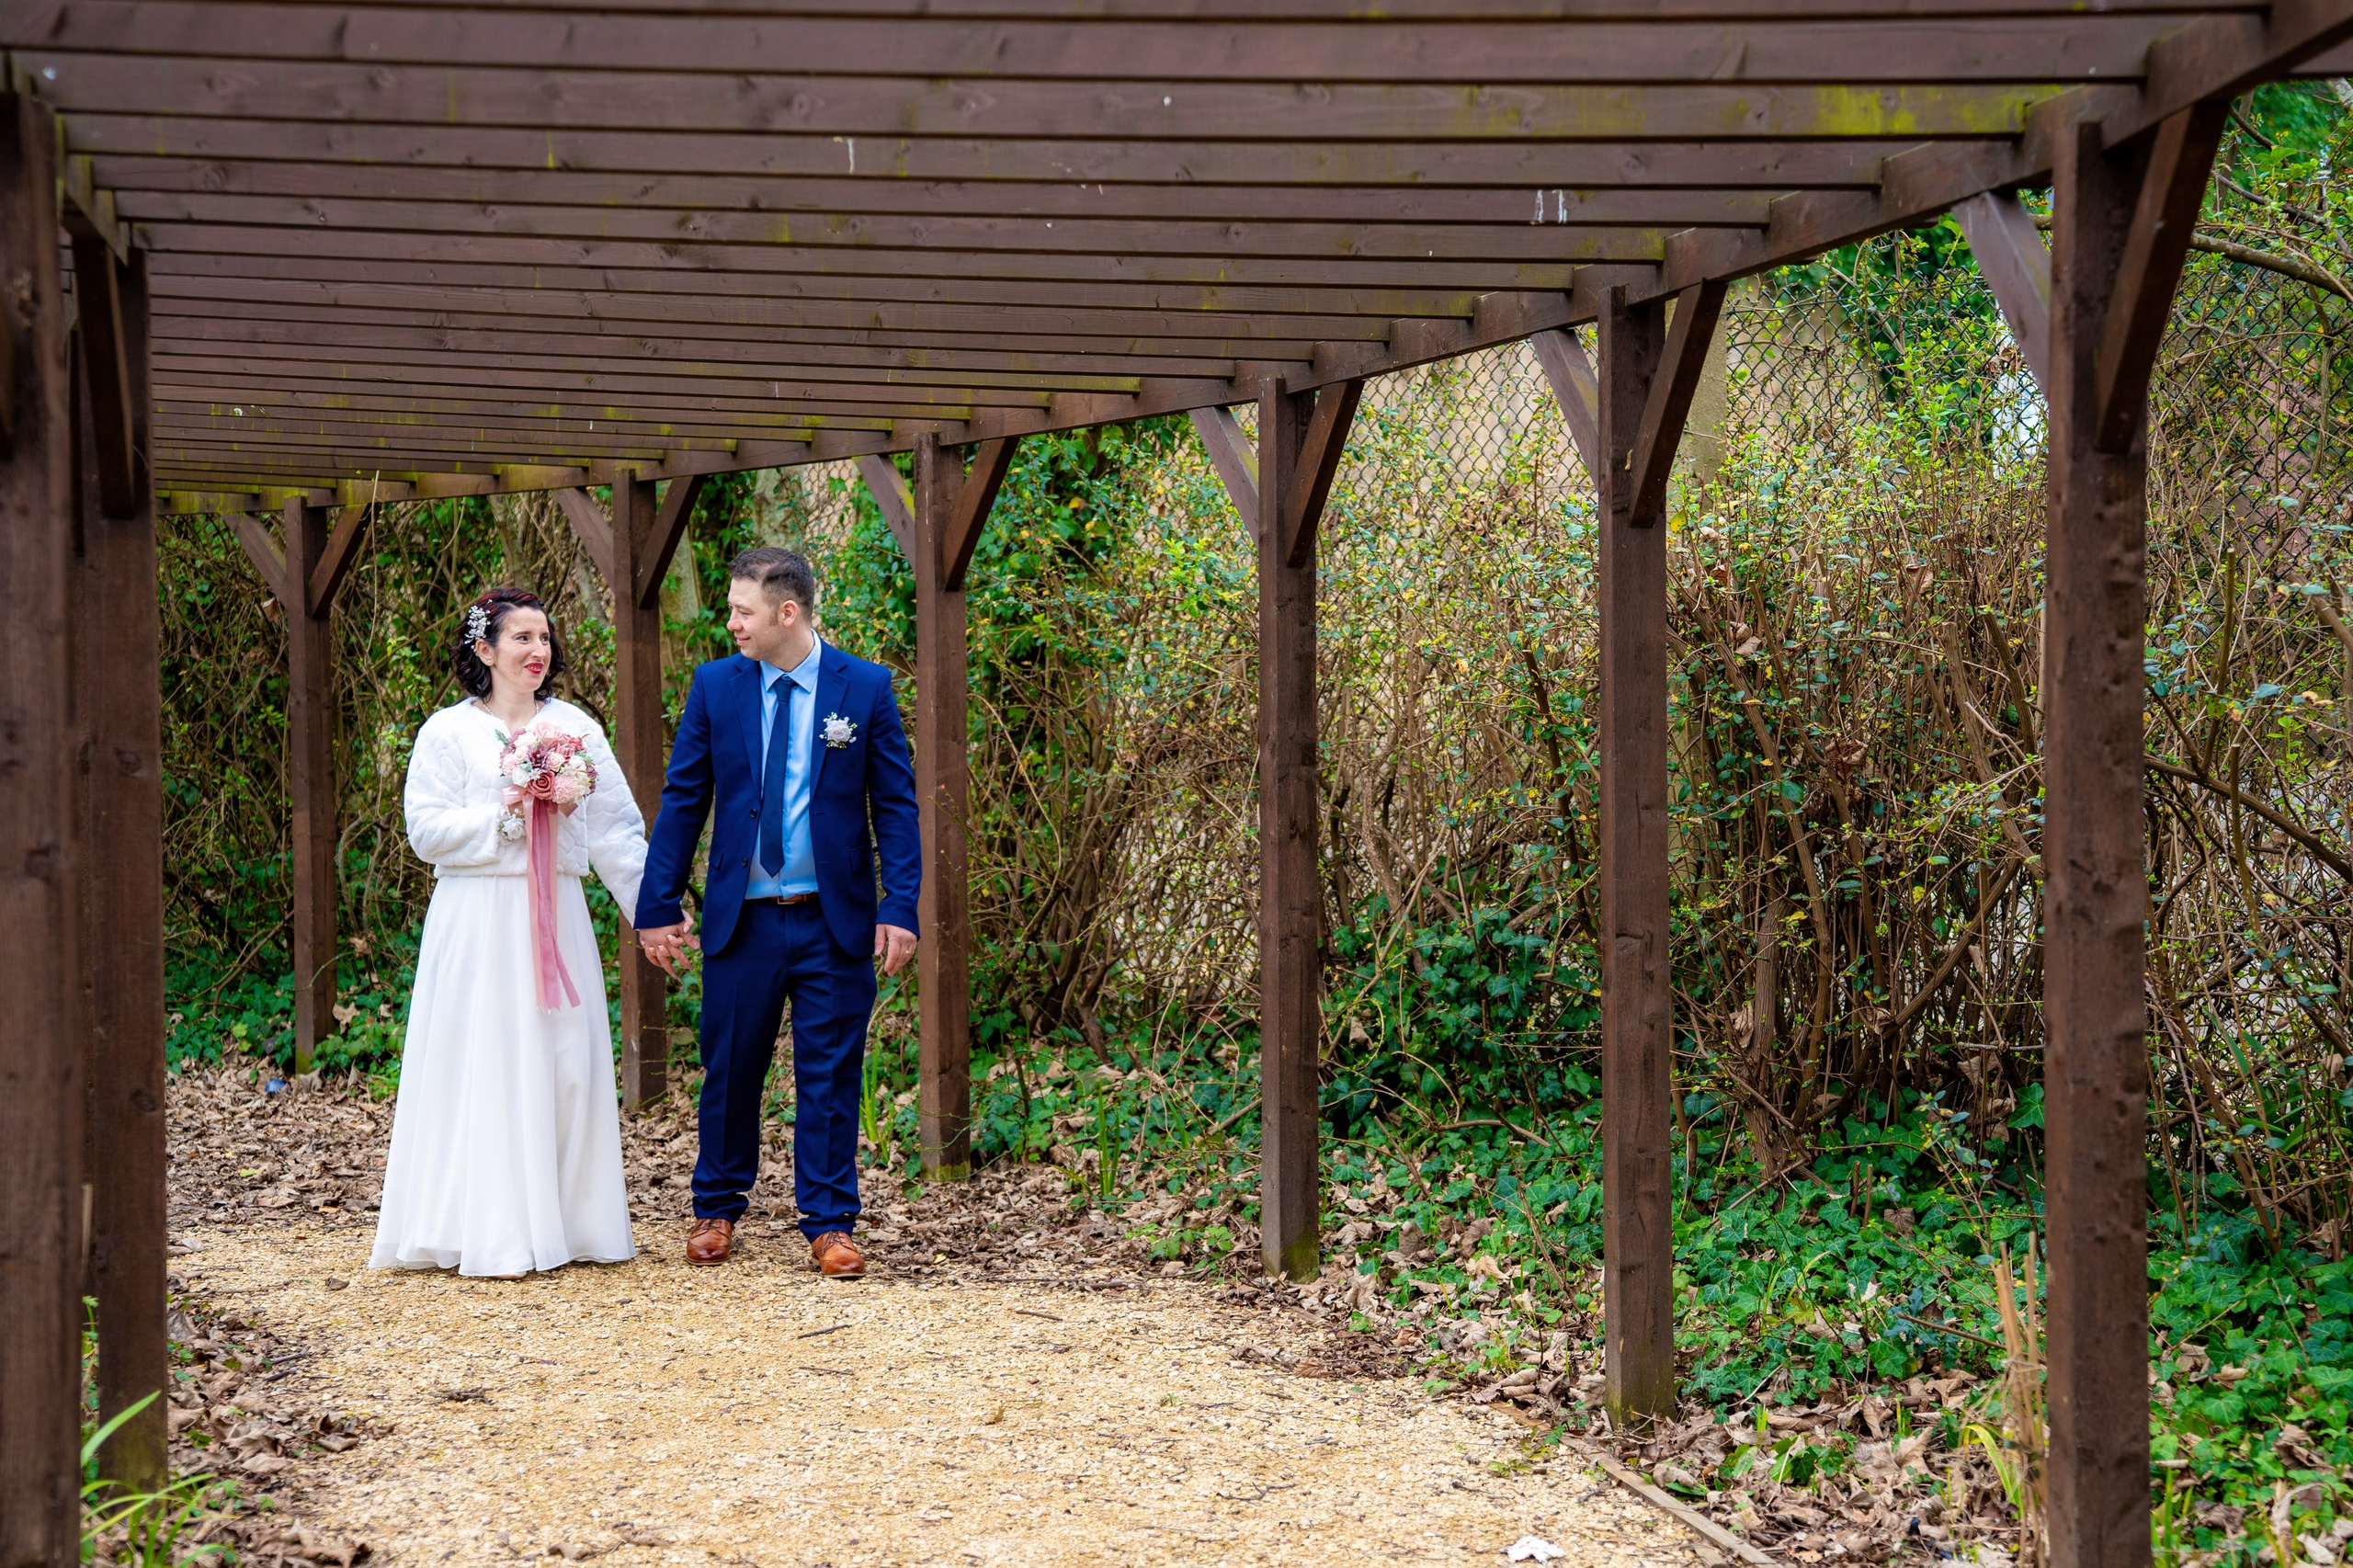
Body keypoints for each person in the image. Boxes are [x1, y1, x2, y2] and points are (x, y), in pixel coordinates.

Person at [633, 547, 920, 1278]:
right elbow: (684, 800)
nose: (731, 623)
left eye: (743, 611)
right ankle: (716, 1208)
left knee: (831, 1074)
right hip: (745, 919)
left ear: (786, 613)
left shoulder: (865, 688)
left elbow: (894, 805)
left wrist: (900, 906)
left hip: (835, 919)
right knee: (731, 1068)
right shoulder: (716, 687)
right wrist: (657, 904)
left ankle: (830, 1223)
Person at [369, 587, 648, 1278]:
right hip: (475, 918)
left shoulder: (575, 728)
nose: (538, 650)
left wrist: (653, 912)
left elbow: (616, 831)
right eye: (522, 638)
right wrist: (506, 816)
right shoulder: (446, 733)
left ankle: (570, 1223)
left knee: (564, 1062)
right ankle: (477, 1225)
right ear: (485, 650)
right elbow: (425, 830)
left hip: (557, 914)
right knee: (479, 1060)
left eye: (544, 638)